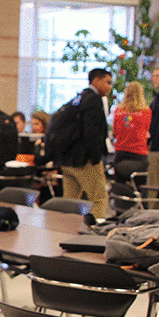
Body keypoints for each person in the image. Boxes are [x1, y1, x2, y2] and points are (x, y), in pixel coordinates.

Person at [52, 68, 111, 218]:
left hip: (68, 160)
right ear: (96, 80)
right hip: (85, 160)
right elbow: (92, 132)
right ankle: (95, 234)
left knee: (70, 202)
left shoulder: (78, 98)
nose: (110, 87)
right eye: (107, 82)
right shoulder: (93, 100)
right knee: (99, 199)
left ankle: (65, 232)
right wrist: (96, 158)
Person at [112, 81, 152, 181]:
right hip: (139, 153)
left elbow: (115, 132)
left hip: (121, 152)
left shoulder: (118, 110)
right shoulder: (146, 111)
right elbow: (147, 130)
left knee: (120, 184)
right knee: (139, 184)